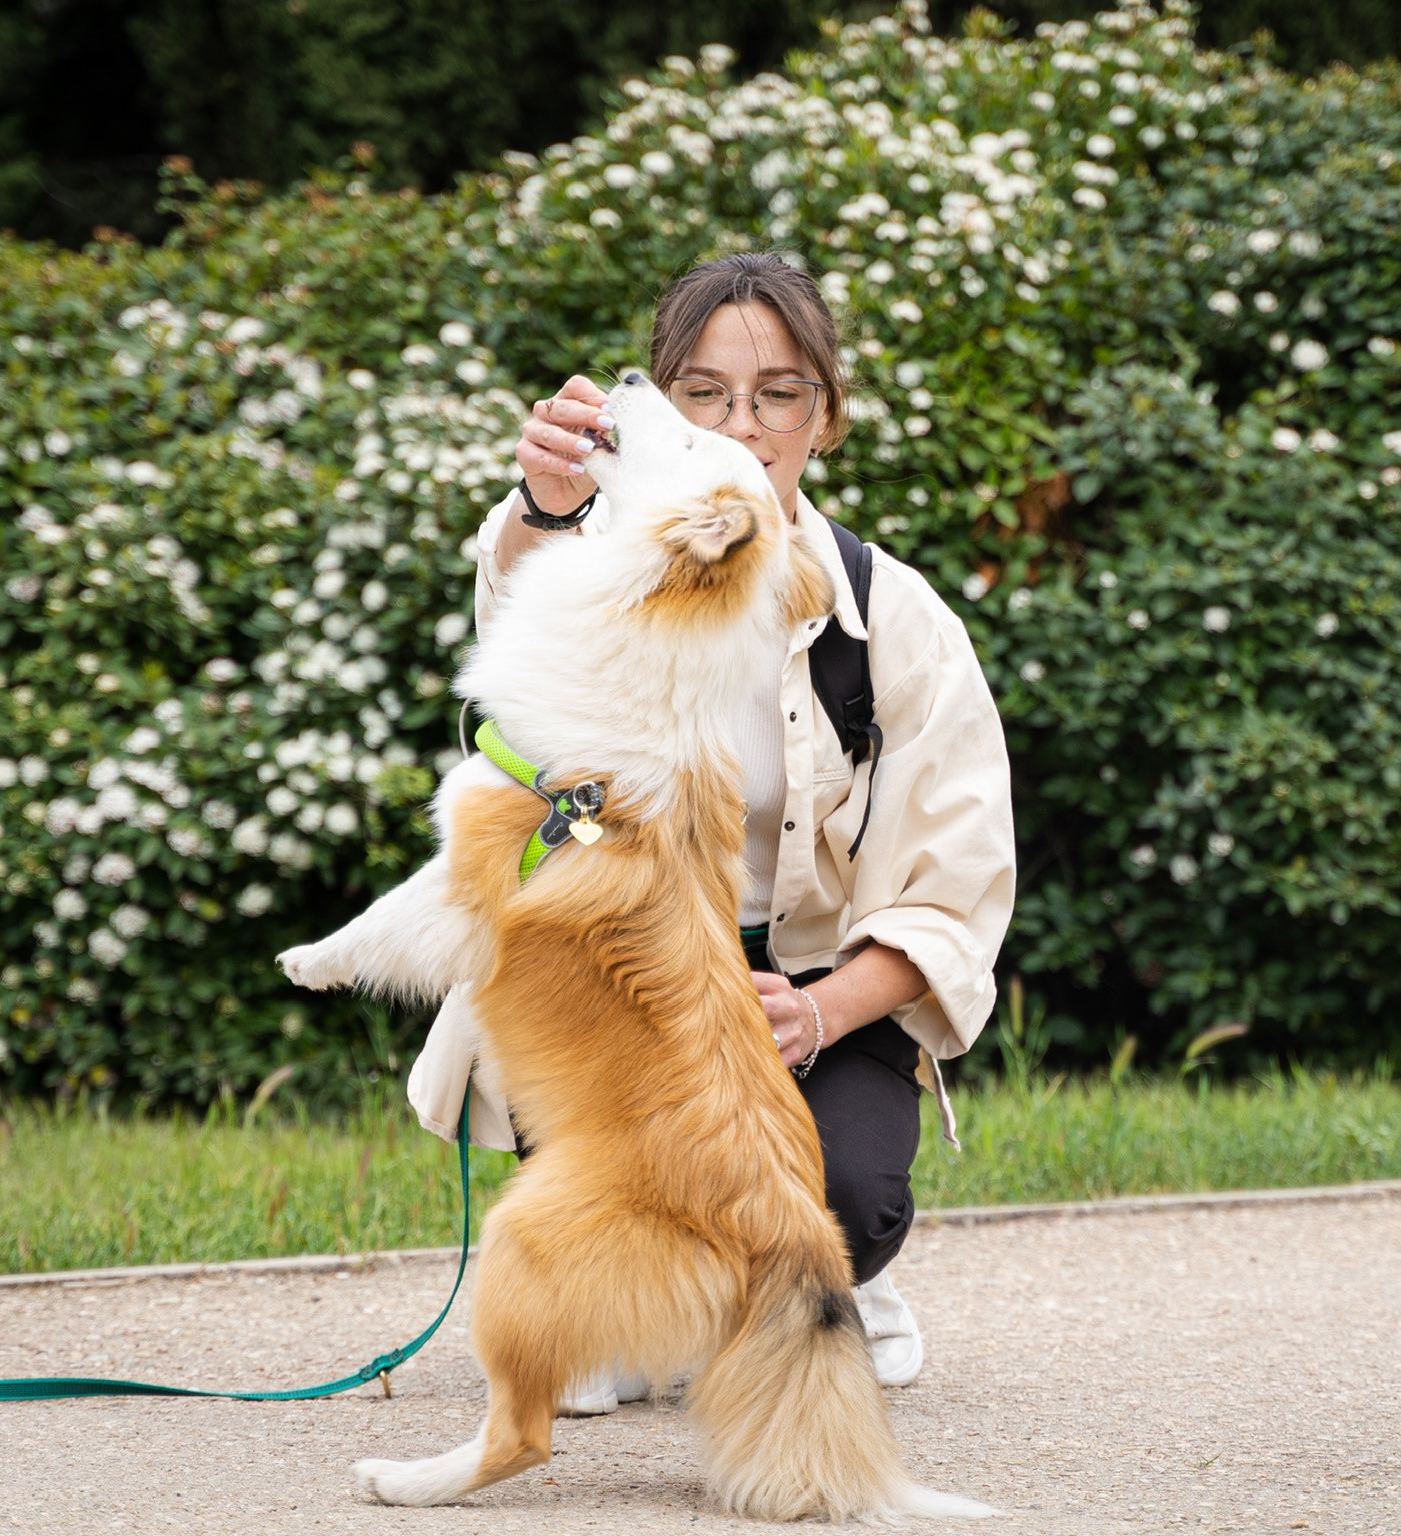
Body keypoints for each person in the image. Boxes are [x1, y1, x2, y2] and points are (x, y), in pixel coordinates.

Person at [404, 252, 1014, 1411]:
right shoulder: (605, 566)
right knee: (603, 1179)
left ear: (825, 415)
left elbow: (958, 885)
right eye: (705, 393)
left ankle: (834, 1274)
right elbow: (515, 611)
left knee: (848, 1194)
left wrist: (815, 1010)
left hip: (808, 986)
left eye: (779, 393)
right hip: (624, 971)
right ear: (660, 408)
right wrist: (544, 506)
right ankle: (661, 1303)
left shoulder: (893, 615)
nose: (745, 424)